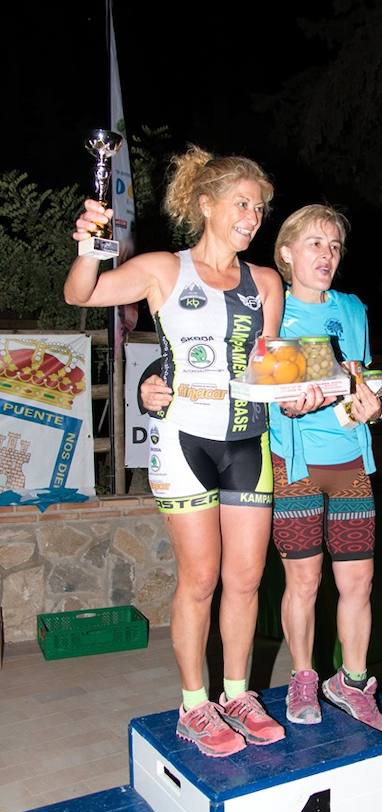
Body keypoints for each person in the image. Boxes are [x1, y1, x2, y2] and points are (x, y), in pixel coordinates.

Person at [64, 147, 289, 758]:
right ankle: (195, 704)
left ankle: (238, 694)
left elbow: (271, 366)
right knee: (201, 580)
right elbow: (81, 294)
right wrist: (89, 243)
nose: (252, 216)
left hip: (250, 441)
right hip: (184, 439)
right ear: (206, 203)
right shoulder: (165, 268)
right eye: (242, 203)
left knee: (245, 581)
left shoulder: (267, 282)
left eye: (260, 207)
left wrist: (297, 393)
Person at [269, 204, 382, 733]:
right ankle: (302, 676)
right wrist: (284, 403)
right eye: (315, 243)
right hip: (294, 462)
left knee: (359, 580)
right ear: (287, 252)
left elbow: (361, 379)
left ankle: (352, 680)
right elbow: (259, 380)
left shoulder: (353, 308)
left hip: (350, 463)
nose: (326, 254)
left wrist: (375, 406)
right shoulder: (271, 306)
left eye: (334, 246)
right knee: (304, 580)